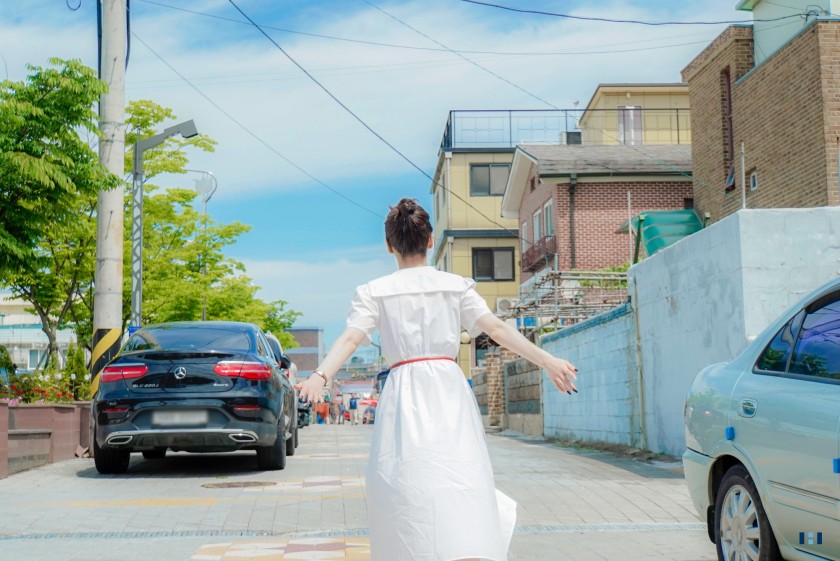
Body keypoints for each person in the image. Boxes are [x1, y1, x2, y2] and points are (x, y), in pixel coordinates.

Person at [300, 198, 577, 561]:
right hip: (447, 389)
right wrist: (547, 360)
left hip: (403, 392)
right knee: (460, 478)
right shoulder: (454, 286)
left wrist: (320, 375)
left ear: (388, 246)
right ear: (430, 241)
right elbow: (495, 328)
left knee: (403, 482)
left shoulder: (375, 291)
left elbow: (352, 337)